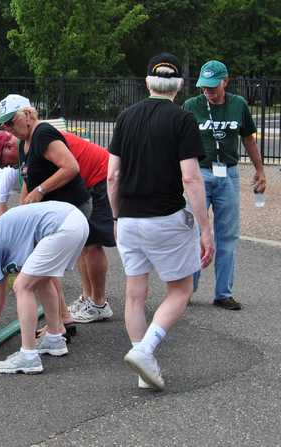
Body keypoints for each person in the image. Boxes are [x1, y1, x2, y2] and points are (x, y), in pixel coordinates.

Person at [107, 52, 214, 390]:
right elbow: (191, 179)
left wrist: (115, 215)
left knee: (135, 294)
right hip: (166, 217)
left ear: (147, 82)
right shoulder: (182, 120)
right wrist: (205, 227)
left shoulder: (126, 118)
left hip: (129, 218)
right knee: (180, 289)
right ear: (179, 86)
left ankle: (143, 363)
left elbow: (112, 176)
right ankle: (147, 350)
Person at [0, 129, 116, 323]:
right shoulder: (24, 147)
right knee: (81, 244)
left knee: (92, 244)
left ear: (8, 146)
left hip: (98, 176)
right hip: (84, 184)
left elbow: (67, 169)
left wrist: (40, 191)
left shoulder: (38, 140)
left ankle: (99, 303)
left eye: (1, 159)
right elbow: (28, 188)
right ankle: (87, 297)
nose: (4, 166)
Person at [0, 202, 89, 374]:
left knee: (22, 286)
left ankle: (28, 356)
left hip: (62, 226)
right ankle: (54, 339)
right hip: (75, 220)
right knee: (43, 281)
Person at [183, 60, 267, 311]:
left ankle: (223, 293)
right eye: (204, 86)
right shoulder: (191, 106)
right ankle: (187, 290)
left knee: (227, 234)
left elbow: (248, 139)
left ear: (225, 81)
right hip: (199, 174)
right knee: (195, 232)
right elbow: (179, 143)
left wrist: (260, 169)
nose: (207, 91)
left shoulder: (238, 105)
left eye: (212, 86)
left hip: (228, 174)